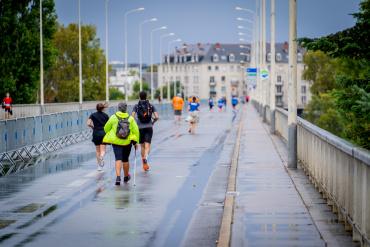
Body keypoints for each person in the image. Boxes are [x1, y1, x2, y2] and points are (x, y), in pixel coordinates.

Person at [103, 102, 140, 185]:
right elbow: (136, 130)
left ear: (118, 108)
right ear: (126, 109)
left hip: (116, 141)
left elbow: (106, 128)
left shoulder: (113, 117)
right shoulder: (130, 118)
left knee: (118, 158)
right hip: (127, 142)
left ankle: (118, 177)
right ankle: (126, 177)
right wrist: (136, 142)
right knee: (125, 159)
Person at [132, 91, 159, 171]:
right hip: (149, 127)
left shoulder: (136, 106)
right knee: (147, 146)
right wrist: (153, 122)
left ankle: (144, 162)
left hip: (139, 128)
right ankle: (146, 158)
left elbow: (132, 117)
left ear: (139, 98)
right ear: (147, 97)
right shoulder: (151, 106)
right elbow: (157, 117)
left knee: (142, 146)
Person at [87, 102, 109, 171]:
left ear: (96, 108)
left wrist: (92, 126)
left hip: (96, 133)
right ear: (102, 108)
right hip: (103, 133)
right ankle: (102, 157)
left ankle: (99, 167)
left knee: (97, 151)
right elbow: (108, 125)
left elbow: (88, 123)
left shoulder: (93, 115)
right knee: (103, 151)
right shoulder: (106, 116)